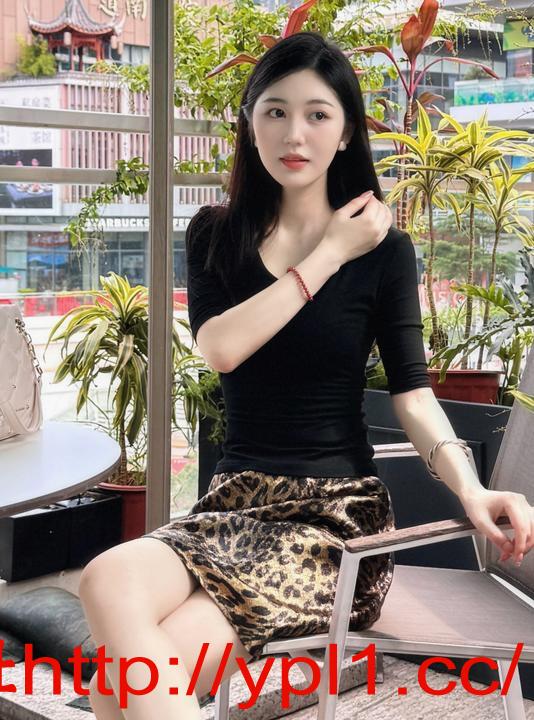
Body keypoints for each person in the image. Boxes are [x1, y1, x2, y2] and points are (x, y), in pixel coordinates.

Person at [79, 31, 534, 720]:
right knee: (109, 587)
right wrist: (329, 253)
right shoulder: (215, 234)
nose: (295, 133)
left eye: (318, 114)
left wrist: (472, 489)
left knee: (121, 685)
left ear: (346, 132)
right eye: (276, 111)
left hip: (333, 527)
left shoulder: (386, 252)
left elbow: (414, 397)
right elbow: (221, 348)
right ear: (249, 122)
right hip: (232, 509)